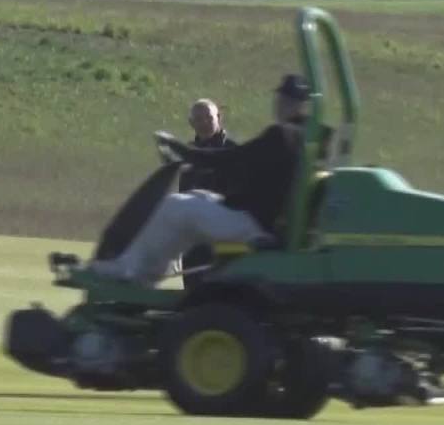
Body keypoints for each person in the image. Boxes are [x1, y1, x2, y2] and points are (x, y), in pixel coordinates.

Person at [89, 75, 312, 286]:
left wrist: (182, 150)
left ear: (298, 104)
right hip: (264, 222)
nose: (280, 105)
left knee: (175, 206)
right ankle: (145, 271)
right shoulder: (308, 137)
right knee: (194, 198)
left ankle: (129, 270)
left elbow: (228, 159)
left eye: (286, 101)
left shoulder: (281, 136)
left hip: (255, 227)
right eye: (281, 99)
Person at [178, 99, 236, 286]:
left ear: (219, 118)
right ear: (191, 123)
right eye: (198, 119)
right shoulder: (187, 154)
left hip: (221, 239)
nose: (204, 123)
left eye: (208, 118)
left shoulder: (234, 152)